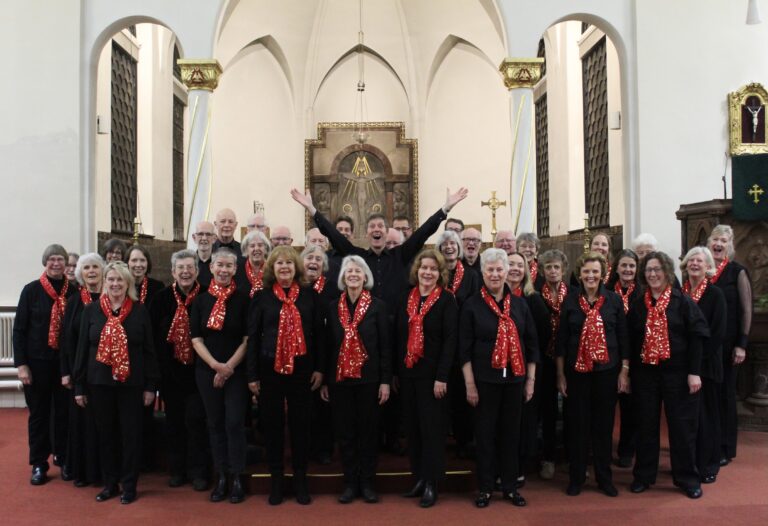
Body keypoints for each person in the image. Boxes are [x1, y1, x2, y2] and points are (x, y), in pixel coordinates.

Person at [73, 261, 159, 504]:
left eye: (120, 280)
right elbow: (81, 350)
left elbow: (149, 350)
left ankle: (129, 485)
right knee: (106, 434)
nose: (115, 284)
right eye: (110, 279)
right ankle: (110, 483)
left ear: (128, 283)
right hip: (99, 383)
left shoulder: (140, 311)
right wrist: (79, 386)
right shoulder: (90, 311)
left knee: (131, 436)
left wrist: (151, 385)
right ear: (104, 283)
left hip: (132, 385)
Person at [247, 246, 325, 506]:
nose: (284, 268)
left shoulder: (310, 297)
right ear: (272, 267)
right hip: (269, 369)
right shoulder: (262, 297)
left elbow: (319, 336)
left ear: (296, 268)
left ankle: (301, 478)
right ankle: (277, 479)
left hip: (303, 369)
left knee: (301, 424)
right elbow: (254, 340)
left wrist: (319, 369)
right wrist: (252, 375)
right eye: (279, 263)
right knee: (272, 424)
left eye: (289, 264)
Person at [460, 248, 538, 508]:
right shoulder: (472, 304)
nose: (495, 274)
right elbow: (465, 348)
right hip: (484, 381)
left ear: (507, 272)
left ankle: (510, 487)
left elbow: (532, 343)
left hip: (514, 380)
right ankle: (485, 487)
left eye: (499, 269)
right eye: (490, 269)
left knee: (510, 434)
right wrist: (470, 384)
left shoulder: (519, 303)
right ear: (482, 273)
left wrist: (530, 381)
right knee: (484, 434)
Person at [627, 251, 709, 499]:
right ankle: (643, 475)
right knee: (646, 425)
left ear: (666, 272)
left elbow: (697, 338)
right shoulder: (638, 304)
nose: (653, 274)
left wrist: (694, 373)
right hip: (646, 374)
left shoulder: (681, 301)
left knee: (681, 427)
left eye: (657, 269)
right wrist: (628, 373)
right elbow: (630, 340)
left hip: (678, 373)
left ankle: (687, 478)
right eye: (649, 270)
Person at [556, 252, 629, 497]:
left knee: (603, 426)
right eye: (586, 271)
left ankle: (603, 477)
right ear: (579, 274)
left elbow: (623, 338)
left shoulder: (613, 301)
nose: (590, 275)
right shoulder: (570, 301)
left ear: (603, 274)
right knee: (577, 426)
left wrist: (624, 372)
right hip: (576, 373)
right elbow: (561, 342)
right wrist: (560, 376)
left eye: (595, 271)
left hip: (607, 373)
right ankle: (577, 477)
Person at [322, 256, 392, 503]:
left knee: (368, 432)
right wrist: (325, 380)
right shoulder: (332, 307)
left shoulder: (378, 306)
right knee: (346, 432)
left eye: (358, 271)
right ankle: (350, 482)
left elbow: (385, 346)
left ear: (365, 277)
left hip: (370, 380)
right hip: (340, 380)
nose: (353, 274)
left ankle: (367, 482)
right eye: (349, 271)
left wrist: (385, 380)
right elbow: (327, 347)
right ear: (342, 277)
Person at [396, 249, 457, 508]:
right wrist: (396, 373)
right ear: (417, 271)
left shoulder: (446, 300)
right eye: (424, 268)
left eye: (433, 269)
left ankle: (432, 483)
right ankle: (419, 478)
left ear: (439, 273)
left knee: (432, 431)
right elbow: (398, 336)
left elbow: (450, 341)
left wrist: (442, 376)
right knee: (415, 430)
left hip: (433, 378)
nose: (428, 272)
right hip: (409, 375)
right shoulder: (406, 298)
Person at [190, 249, 250, 504]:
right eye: (219, 265)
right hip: (207, 371)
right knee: (214, 424)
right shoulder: (201, 301)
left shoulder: (244, 299)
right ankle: (221, 475)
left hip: (236, 372)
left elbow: (248, 340)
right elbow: (196, 339)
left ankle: (237, 476)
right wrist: (216, 366)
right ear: (211, 268)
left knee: (234, 423)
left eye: (229, 266)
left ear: (235, 270)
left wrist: (228, 368)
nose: (224, 270)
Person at [149, 250, 210, 492]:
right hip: (170, 374)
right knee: (174, 423)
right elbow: (153, 339)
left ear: (196, 270)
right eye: (180, 268)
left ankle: (200, 472)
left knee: (196, 422)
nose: (185, 272)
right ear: (173, 272)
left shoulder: (206, 296)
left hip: (199, 373)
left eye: (189, 267)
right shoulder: (161, 299)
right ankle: (177, 470)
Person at [14, 244, 75, 485]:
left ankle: (63, 457)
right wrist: (21, 365)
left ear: (66, 263)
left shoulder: (74, 291)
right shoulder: (31, 291)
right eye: (52, 259)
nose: (56, 263)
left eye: (60, 259)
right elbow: (19, 331)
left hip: (64, 365)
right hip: (37, 363)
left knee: (63, 415)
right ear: (45, 262)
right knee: (39, 415)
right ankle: (39, 463)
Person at [680, 246, 727, 484]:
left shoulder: (715, 294)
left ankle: (708, 464)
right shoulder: (680, 292)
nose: (695, 264)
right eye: (691, 260)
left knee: (707, 417)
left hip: (707, 366)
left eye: (700, 261)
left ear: (708, 267)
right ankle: (689, 462)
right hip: (684, 366)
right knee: (689, 419)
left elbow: (717, 334)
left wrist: (696, 364)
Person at [707, 225, 752, 466]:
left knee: (725, 395)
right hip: (705, 348)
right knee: (708, 397)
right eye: (715, 239)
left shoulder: (737, 272)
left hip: (728, 346)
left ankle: (726, 447)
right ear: (708, 242)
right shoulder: (702, 270)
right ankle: (709, 443)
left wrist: (741, 344)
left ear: (730, 245)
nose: (719, 243)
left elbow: (746, 310)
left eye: (724, 240)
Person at [506, 252, 550, 488]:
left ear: (526, 270)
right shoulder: (494, 296)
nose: (514, 269)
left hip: (527, 367)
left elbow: (541, 336)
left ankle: (520, 466)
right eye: (510, 264)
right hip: (500, 369)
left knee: (524, 420)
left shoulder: (532, 299)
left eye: (519, 265)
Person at [61, 252, 105, 487]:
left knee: (102, 421)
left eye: (95, 267)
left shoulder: (110, 298)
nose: (91, 271)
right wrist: (66, 371)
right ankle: (82, 470)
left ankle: (102, 470)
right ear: (80, 273)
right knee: (81, 422)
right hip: (80, 370)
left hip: (104, 370)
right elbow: (66, 340)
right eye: (86, 268)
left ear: (102, 271)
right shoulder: (74, 302)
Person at [437, 230, 480, 459]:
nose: (450, 247)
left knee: (463, 393)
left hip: (464, 339)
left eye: (453, 243)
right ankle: (442, 439)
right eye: (445, 244)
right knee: (443, 395)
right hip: (441, 339)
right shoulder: (436, 272)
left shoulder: (472, 275)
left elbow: (474, 304)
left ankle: (464, 440)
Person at [300, 243, 336, 465]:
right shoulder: (294, 288)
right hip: (300, 357)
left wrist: (323, 369)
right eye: (309, 258)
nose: (313, 262)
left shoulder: (333, 290)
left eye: (318, 259)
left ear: (324, 266)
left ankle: (324, 449)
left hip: (327, 355)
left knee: (324, 407)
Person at [536, 249, 569, 479]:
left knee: (573, 412)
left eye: (556, 267)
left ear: (563, 270)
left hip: (570, 359)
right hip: (545, 359)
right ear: (542, 270)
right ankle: (547, 458)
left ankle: (571, 458)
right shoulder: (536, 295)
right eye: (548, 267)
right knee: (547, 411)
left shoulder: (574, 295)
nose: (553, 271)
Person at [607, 249, 641, 467]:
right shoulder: (607, 291)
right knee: (607, 406)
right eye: (624, 265)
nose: (628, 269)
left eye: (632, 266)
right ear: (616, 268)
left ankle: (627, 449)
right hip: (609, 355)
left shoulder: (644, 293)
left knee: (631, 407)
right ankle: (602, 448)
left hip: (637, 357)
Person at [236, 230, 271, 298]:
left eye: (260, 245)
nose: (256, 248)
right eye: (252, 246)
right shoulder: (237, 269)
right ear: (246, 249)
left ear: (265, 248)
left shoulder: (272, 269)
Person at [193, 221, 216, 288]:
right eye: (200, 234)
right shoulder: (188, 264)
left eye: (208, 234)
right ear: (194, 238)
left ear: (214, 238)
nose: (204, 238)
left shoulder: (220, 263)